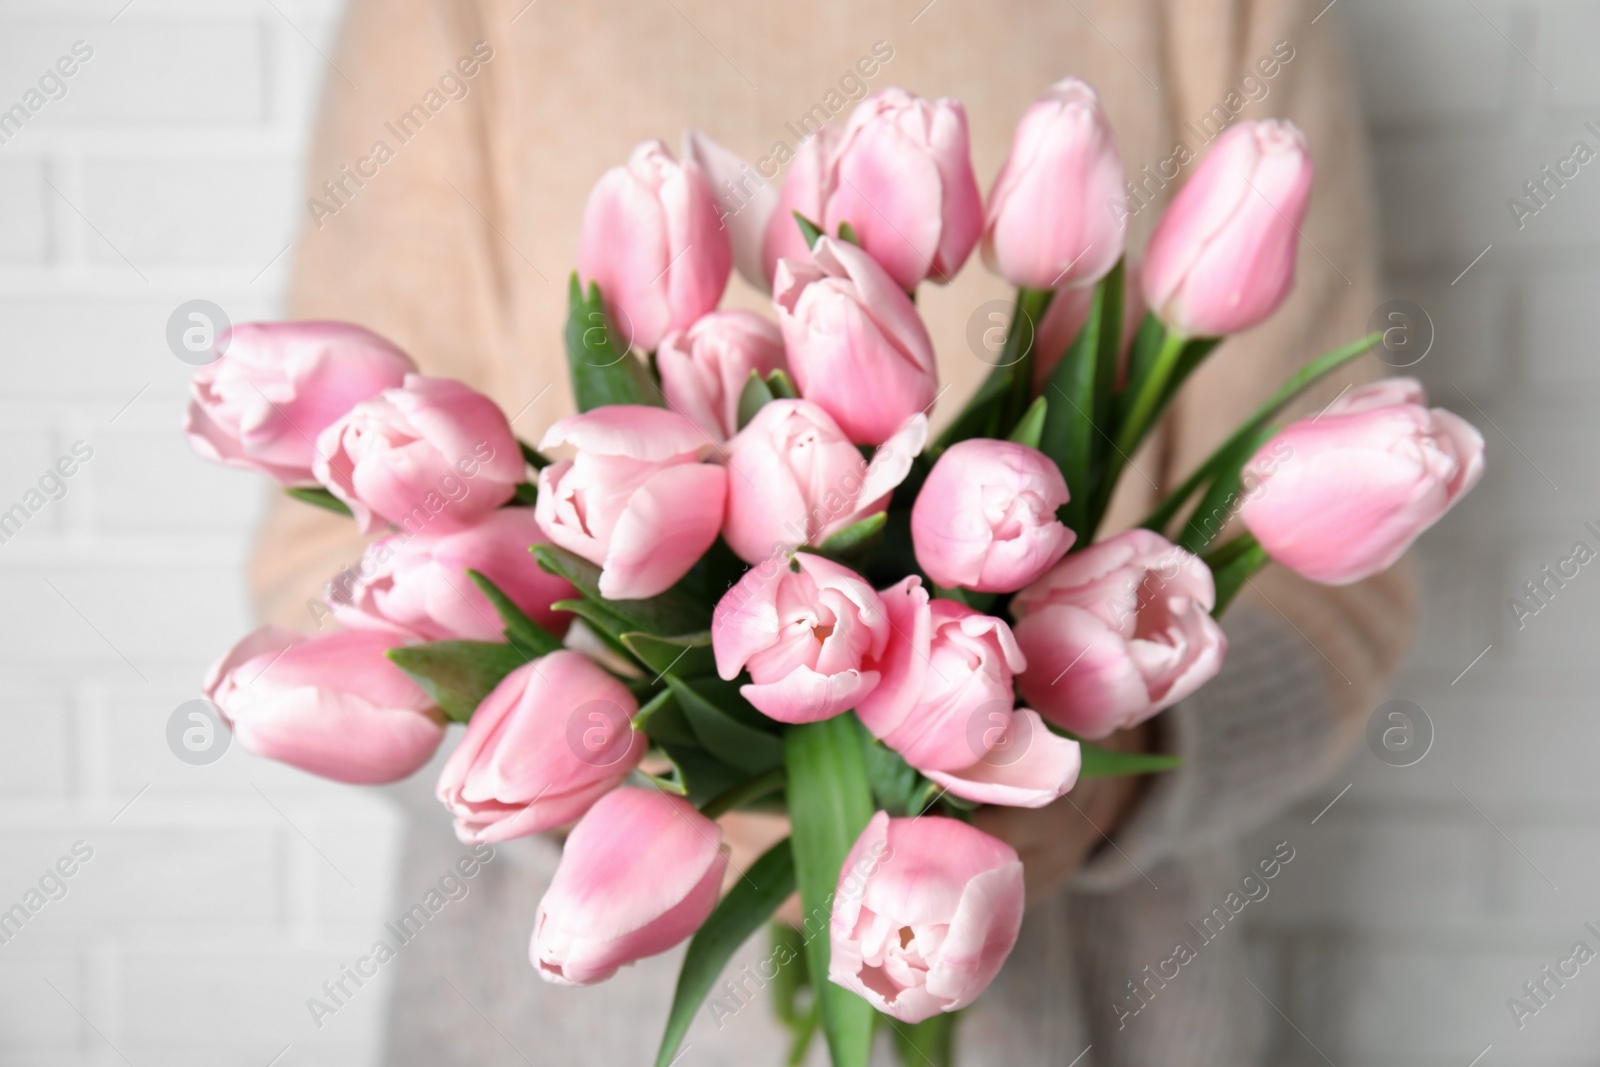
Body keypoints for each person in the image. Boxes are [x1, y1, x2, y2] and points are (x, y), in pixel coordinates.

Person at [250, 0, 1414, 1062]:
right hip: (556, 1030)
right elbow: (328, 571)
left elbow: (1337, 602)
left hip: (1091, 1013)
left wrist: (1094, 793)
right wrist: (656, 783)